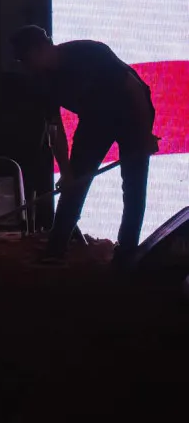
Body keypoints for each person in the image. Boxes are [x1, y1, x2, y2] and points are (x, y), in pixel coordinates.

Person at [10, 25, 160, 266]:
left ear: (39, 50)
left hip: (132, 113)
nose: (25, 67)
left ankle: (126, 253)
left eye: (24, 59)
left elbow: (134, 89)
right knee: (75, 184)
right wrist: (67, 171)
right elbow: (55, 128)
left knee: (133, 187)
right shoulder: (43, 81)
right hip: (95, 120)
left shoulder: (89, 53)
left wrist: (144, 136)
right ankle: (55, 249)